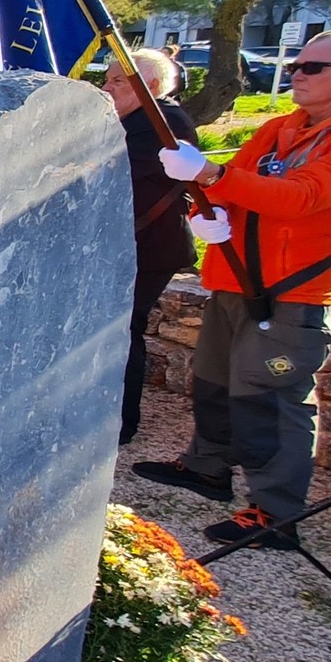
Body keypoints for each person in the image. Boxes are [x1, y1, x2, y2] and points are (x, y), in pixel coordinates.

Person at [135, 28, 331, 548]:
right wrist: (207, 213)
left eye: (312, 68)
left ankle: (275, 513)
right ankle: (206, 467)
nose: (295, 75)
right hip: (234, 277)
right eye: (296, 65)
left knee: (272, 402)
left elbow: (303, 197)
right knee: (214, 381)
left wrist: (212, 175)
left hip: (290, 293)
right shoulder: (282, 128)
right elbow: (237, 180)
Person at [104, 51, 199, 445]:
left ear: (152, 87)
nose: (106, 89)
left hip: (151, 247)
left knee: (123, 330)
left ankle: (120, 423)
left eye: (118, 82)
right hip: (133, 244)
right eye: (107, 80)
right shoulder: (136, 120)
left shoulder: (164, 123)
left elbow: (117, 176)